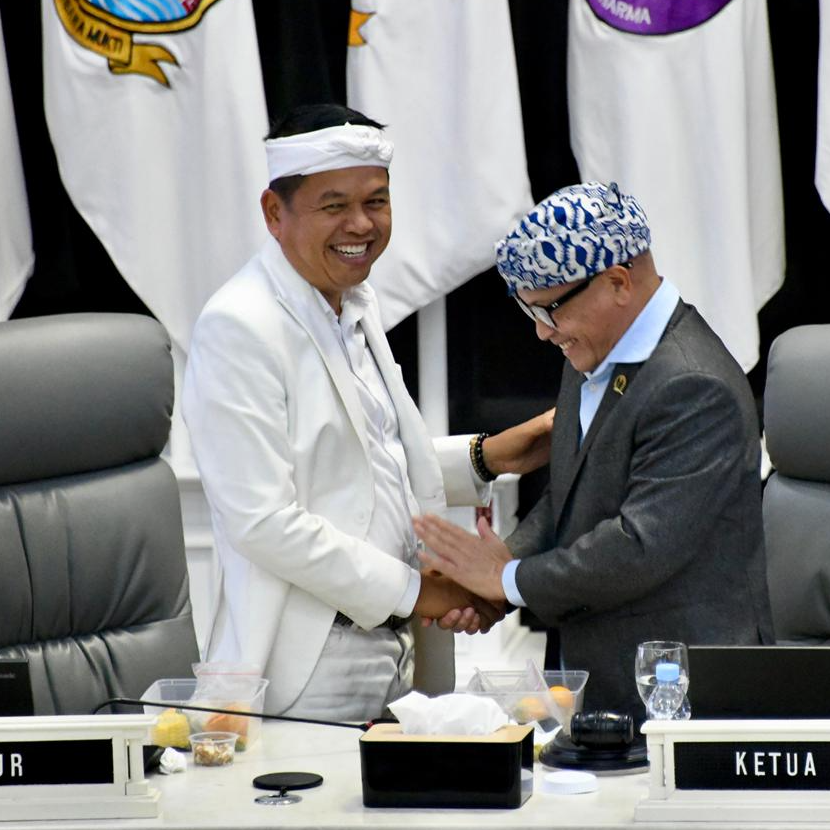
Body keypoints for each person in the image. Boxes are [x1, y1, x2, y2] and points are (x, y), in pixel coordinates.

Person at [182, 103, 553, 721]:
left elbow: (363, 459)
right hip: (305, 666)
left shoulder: (355, 300)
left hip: (398, 648)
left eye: (376, 202)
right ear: (274, 213)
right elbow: (264, 520)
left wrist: (488, 456)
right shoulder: (238, 324)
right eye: (334, 206)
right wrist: (421, 592)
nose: (361, 224)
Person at [413, 181, 775, 719]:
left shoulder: (694, 386)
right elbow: (572, 496)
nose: (542, 333)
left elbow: (637, 545)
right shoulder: (594, 349)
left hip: (683, 697)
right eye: (530, 313)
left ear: (617, 282)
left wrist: (507, 581)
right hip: (603, 683)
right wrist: (499, 572)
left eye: (549, 310)